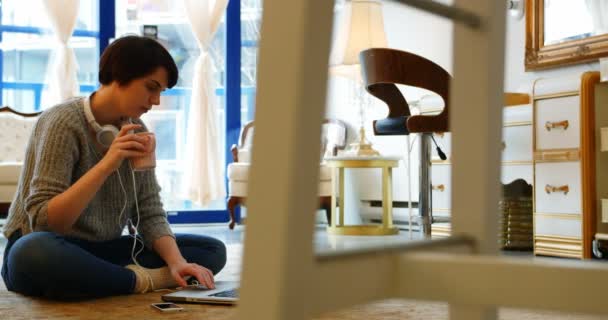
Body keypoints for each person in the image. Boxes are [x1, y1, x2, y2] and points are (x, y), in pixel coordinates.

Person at [1, 35, 226, 300]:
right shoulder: (62, 122)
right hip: (47, 243)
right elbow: (47, 223)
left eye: (161, 92)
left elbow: (149, 212)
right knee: (34, 253)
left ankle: (103, 279)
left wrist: (177, 263)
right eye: (151, 87)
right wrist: (108, 164)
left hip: (100, 249)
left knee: (211, 250)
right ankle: (142, 280)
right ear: (121, 76)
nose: (155, 100)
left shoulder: (137, 131)